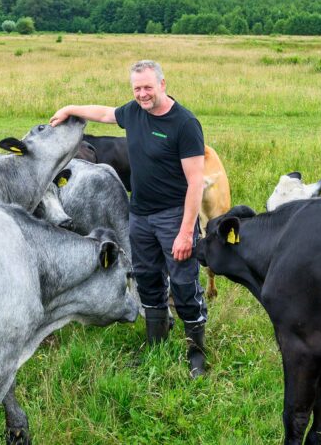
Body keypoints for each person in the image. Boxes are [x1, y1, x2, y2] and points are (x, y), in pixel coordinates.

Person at [50, 60, 208, 377]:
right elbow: (106, 113)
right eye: (137, 88)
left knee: (182, 281)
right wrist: (70, 109)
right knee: (146, 278)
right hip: (140, 214)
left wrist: (185, 231)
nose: (142, 94)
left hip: (174, 216)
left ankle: (197, 353)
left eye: (148, 87)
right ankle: (156, 347)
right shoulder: (134, 113)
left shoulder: (185, 123)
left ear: (163, 84)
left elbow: (195, 182)